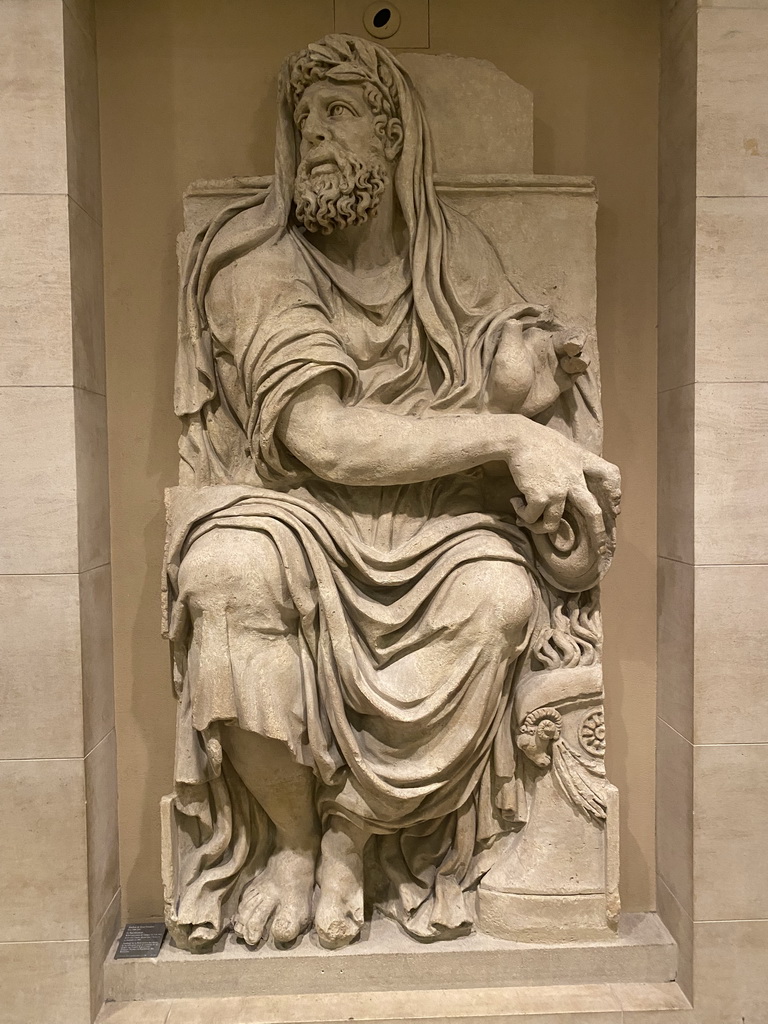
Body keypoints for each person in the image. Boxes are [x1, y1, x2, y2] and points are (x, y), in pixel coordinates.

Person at [162, 34, 620, 953]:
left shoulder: (454, 256)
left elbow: (504, 373)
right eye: (303, 119)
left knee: (499, 594)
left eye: (339, 113)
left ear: (394, 134)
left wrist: (521, 386)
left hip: (437, 521)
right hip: (296, 509)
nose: (315, 136)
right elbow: (321, 438)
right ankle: (290, 841)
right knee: (224, 576)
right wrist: (507, 433)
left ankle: (351, 835)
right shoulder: (255, 261)